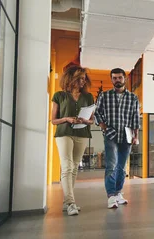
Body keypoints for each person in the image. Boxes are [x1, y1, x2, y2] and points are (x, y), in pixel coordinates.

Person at [50, 65, 95, 216]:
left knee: (74, 167)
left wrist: (85, 120)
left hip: (82, 132)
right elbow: (53, 121)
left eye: (84, 78)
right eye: (80, 78)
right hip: (64, 133)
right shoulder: (59, 95)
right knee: (67, 166)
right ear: (71, 79)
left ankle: (67, 202)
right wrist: (66, 119)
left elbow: (92, 120)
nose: (83, 81)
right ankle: (71, 203)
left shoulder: (88, 97)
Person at [94, 68, 140, 209]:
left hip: (127, 135)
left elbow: (135, 118)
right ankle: (111, 195)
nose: (117, 80)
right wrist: (105, 128)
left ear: (124, 78)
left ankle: (118, 193)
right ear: (111, 79)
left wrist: (136, 135)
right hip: (110, 135)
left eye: (120, 77)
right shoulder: (104, 95)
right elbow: (97, 114)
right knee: (111, 165)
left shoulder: (133, 97)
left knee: (122, 167)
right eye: (114, 78)